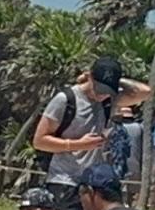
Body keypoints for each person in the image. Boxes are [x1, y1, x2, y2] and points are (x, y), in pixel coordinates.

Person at [31, 56, 130, 184]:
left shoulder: (107, 102)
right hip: (63, 180)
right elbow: (39, 141)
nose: (102, 94)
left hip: (93, 182)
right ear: (90, 77)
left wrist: (116, 80)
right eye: (99, 88)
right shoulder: (65, 99)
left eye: (108, 91)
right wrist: (79, 144)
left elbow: (145, 92)